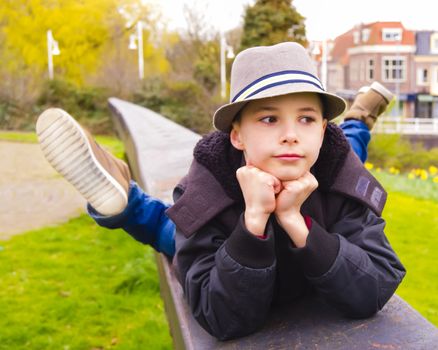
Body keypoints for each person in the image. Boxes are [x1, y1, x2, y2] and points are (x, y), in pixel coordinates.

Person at [36, 42, 404, 341]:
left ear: (322, 129)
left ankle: (358, 115)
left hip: (324, 168)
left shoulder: (334, 164)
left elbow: (375, 284)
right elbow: (220, 316)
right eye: (269, 118)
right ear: (237, 134)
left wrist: (297, 221)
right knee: (173, 234)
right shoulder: (210, 180)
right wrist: (252, 224)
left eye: (306, 118)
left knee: (351, 142)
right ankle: (126, 201)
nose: (291, 133)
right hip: (229, 228)